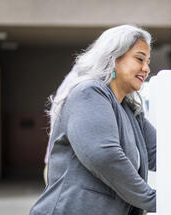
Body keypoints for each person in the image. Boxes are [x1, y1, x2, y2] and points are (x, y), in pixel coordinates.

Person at [29, 25, 156, 215]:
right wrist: (154, 200)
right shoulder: (89, 93)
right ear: (114, 58)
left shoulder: (130, 111)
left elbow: (162, 153)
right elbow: (105, 157)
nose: (146, 68)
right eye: (139, 59)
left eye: (148, 61)